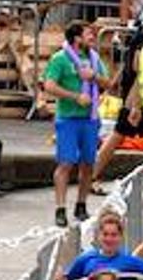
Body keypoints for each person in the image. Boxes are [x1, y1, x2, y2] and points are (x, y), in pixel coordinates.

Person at [44, 21, 113, 226]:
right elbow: (49, 85)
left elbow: (107, 84)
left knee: (88, 163)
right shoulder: (60, 59)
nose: (93, 37)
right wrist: (75, 96)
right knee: (65, 162)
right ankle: (60, 208)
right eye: (89, 34)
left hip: (90, 119)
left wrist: (94, 77)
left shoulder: (93, 58)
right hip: (68, 119)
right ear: (77, 38)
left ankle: (81, 204)